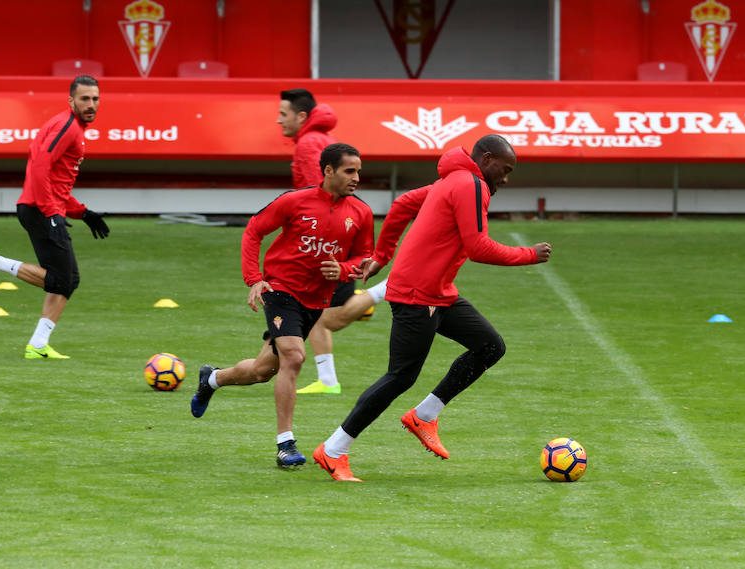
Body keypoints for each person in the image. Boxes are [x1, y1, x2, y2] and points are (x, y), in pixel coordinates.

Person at [313, 134, 552, 482]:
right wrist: (529, 255)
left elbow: (403, 204)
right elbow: (478, 247)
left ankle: (424, 415)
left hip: (438, 293)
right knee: (400, 377)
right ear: (486, 159)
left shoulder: (453, 179)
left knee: (490, 346)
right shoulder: (471, 185)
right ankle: (333, 450)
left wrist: (382, 256)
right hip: (417, 295)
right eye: (505, 169)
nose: (505, 178)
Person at [190, 143, 375, 469]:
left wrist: (344, 270)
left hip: (315, 301)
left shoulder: (360, 213)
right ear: (328, 170)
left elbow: (365, 258)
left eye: (359, 170)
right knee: (294, 355)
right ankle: (285, 445)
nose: (356, 177)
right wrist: (254, 279)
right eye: (350, 170)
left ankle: (212, 379)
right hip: (280, 291)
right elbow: (254, 230)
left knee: (264, 371)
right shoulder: (295, 201)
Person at [0, 75, 110, 359]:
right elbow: (40, 164)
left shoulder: (73, 127)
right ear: (71, 101)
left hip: (44, 206)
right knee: (60, 280)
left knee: (69, 279)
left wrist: (83, 212)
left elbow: (56, 182)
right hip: (40, 209)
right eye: (84, 99)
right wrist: (52, 214)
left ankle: (38, 344)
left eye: (95, 99)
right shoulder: (67, 126)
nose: (91, 104)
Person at [276, 88, 387, 395]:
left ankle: (386, 289)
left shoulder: (310, 142)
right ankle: (327, 380)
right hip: (330, 232)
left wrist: (311, 231)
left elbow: (319, 190)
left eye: (282, 114)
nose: (278, 120)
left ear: (301, 116)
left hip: (328, 235)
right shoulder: (318, 138)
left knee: (331, 317)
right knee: (319, 316)